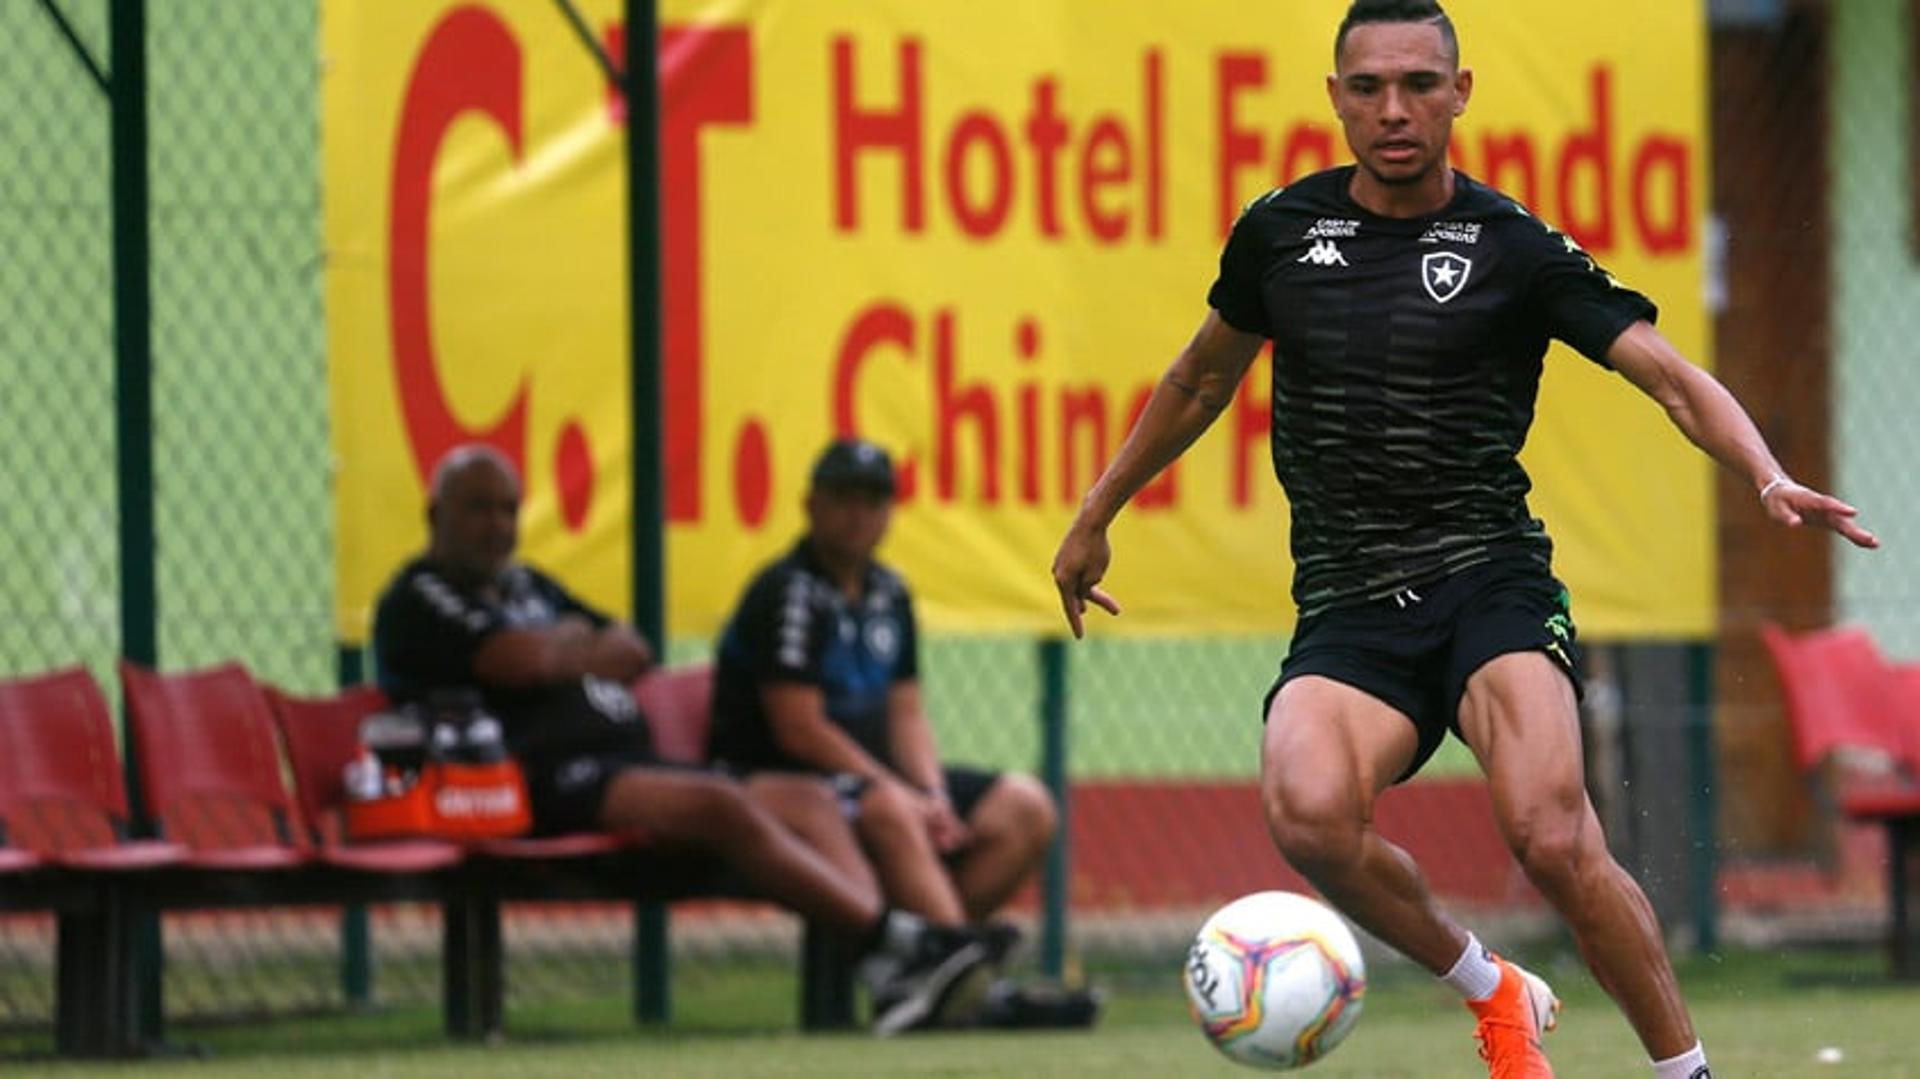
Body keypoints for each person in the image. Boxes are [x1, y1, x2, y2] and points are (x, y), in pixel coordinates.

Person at [1049, 2, 1877, 1076]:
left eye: (1419, 85)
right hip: (1349, 601)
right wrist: (1095, 510)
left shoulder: (1514, 247)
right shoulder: (1281, 234)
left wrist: (1763, 469)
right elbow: (1201, 375)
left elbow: (1667, 373)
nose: (1394, 109)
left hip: (1489, 581)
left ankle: (1686, 1069)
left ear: (1460, 92)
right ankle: (1493, 988)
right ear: (1337, 97)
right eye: (1368, 87)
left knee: (1550, 831)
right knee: (1305, 812)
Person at [372, 443, 993, 1036]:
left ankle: (895, 971)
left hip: (624, 762)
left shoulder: (527, 586)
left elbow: (632, 647)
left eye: (509, 508)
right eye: (479, 508)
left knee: (811, 800)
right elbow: (519, 660)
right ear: (436, 515)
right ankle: (899, 946)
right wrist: (575, 650)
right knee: (723, 806)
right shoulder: (419, 597)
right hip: (537, 779)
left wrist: (568, 650)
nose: (498, 525)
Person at [710, 438, 1083, 1028]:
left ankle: (934, 978)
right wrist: (904, 796)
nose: (858, 514)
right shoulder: (786, 592)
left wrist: (931, 793)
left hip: (870, 782)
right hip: (780, 781)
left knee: (1025, 807)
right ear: (811, 505)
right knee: (889, 809)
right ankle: (974, 990)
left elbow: (906, 711)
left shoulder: (890, 592)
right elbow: (799, 728)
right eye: (843, 499)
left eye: (873, 500)